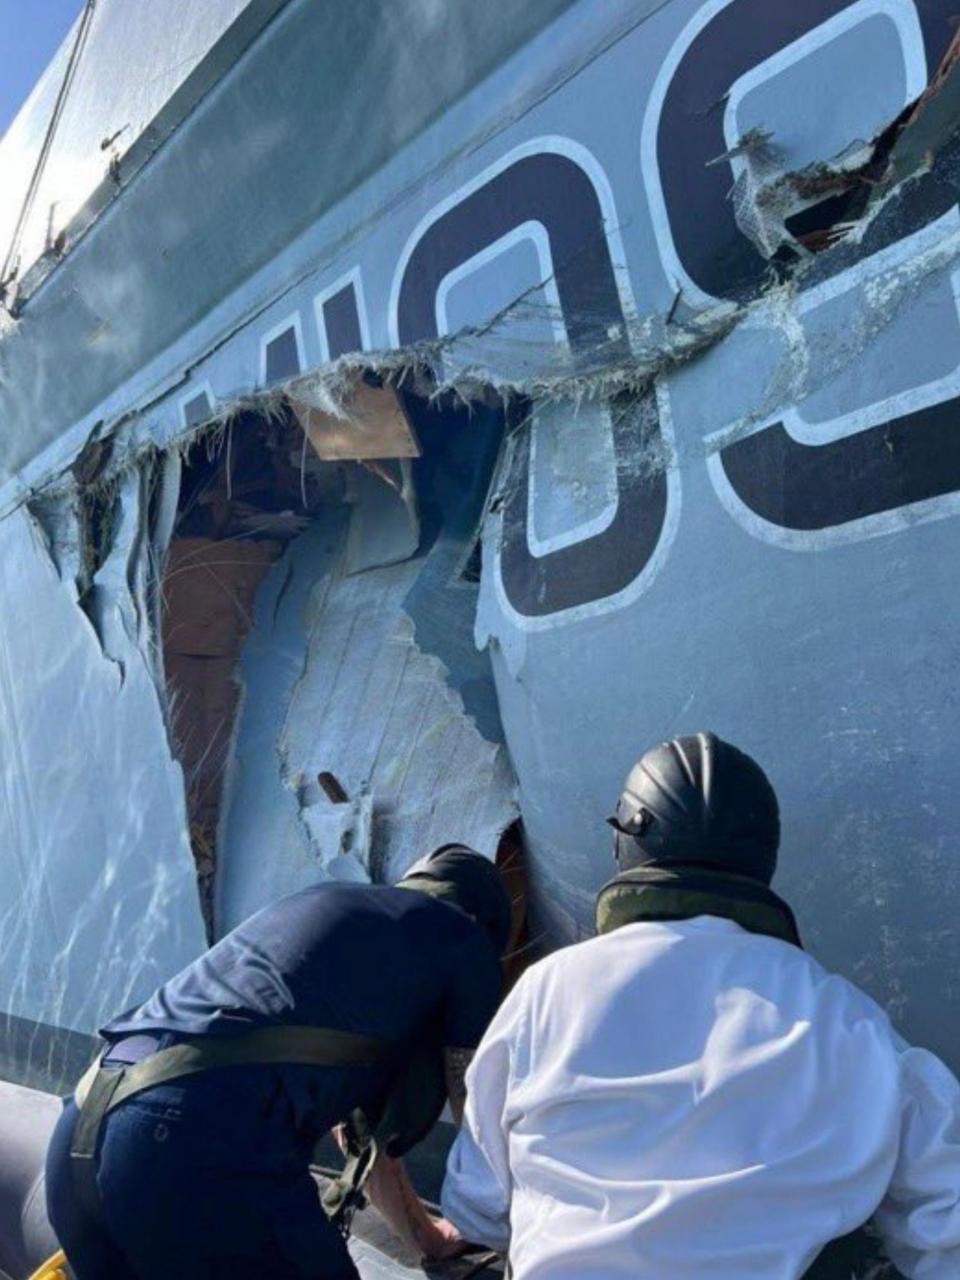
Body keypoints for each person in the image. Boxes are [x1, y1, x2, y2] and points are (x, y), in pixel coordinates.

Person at [442, 732, 960, 1279]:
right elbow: (948, 1213)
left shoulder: (543, 993)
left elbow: (476, 1203)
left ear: (627, 845)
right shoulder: (845, 1018)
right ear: (763, 857)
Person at [45, 844, 512, 1279]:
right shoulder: (463, 940)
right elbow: (478, 1110)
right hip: (188, 1145)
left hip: (80, 1132)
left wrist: (431, 1240)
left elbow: (366, 1148)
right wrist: (508, 1230)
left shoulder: (330, 913)